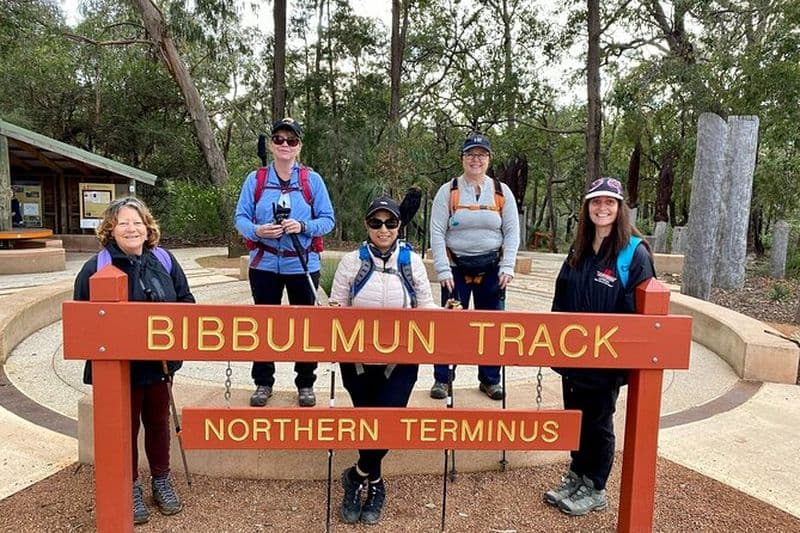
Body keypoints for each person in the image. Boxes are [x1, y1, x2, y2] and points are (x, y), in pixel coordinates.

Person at [73, 197, 194, 525]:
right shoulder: (95, 268)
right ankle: (129, 486)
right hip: (118, 370)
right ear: (110, 229)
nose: (131, 228)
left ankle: (161, 480)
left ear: (147, 226)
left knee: (157, 422)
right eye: (123, 223)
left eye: (137, 222)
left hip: (159, 366)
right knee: (123, 429)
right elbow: (83, 321)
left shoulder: (164, 260)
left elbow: (186, 302)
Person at [543, 177, 655, 516]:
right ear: (587, 207)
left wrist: (617, 353)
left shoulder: (633, 253)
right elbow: (560, 296)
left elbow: (639, 311)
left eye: (609, 202)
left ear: (620, 208)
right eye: (595, 202)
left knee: (598, 422)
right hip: (572, 356)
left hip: (606, 359)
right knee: (575, 418)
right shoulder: (579, 247)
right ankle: (576, 473)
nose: (602, 208)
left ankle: (595, 485)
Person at [328, 195, 436, 525]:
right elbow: (338, 306)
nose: (383, 229)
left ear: (399, 226)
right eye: (376, 222)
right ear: (367, 225)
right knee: (367, 425)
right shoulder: (351, 261)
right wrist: (331, 315)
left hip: (400, 361)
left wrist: (448, 320)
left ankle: (356, 474)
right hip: (358, 360)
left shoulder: (411, 261)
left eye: (390, 222)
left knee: (388, 426)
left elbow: (426, 307)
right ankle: (375, 484)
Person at [234, 117, 335, 408]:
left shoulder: (311, 181)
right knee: (264, 324)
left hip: (302, 264)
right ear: (271, 144)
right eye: (279, 139)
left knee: (306, 326)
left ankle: (305, 383)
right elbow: (240, 217)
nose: (284, 145)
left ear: (299, 146)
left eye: (291, 140)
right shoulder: (256, 180)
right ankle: (263, 382)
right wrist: (257, 230)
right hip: (264, 263)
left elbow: (328, 220)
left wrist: (302, 226)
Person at [428, 132, 520, 400]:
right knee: (449, 326)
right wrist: (443, 269)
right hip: (455, 267)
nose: (475, 160)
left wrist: (508, 266)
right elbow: (436, 231)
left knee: (491, 327)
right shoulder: (449, 191)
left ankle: (490, 379)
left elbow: (512, 232)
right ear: (462, 158)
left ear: (489, 159)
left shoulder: (502, 192)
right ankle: (442, 378)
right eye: (470, 154)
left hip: (492, 267)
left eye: (481, 155)